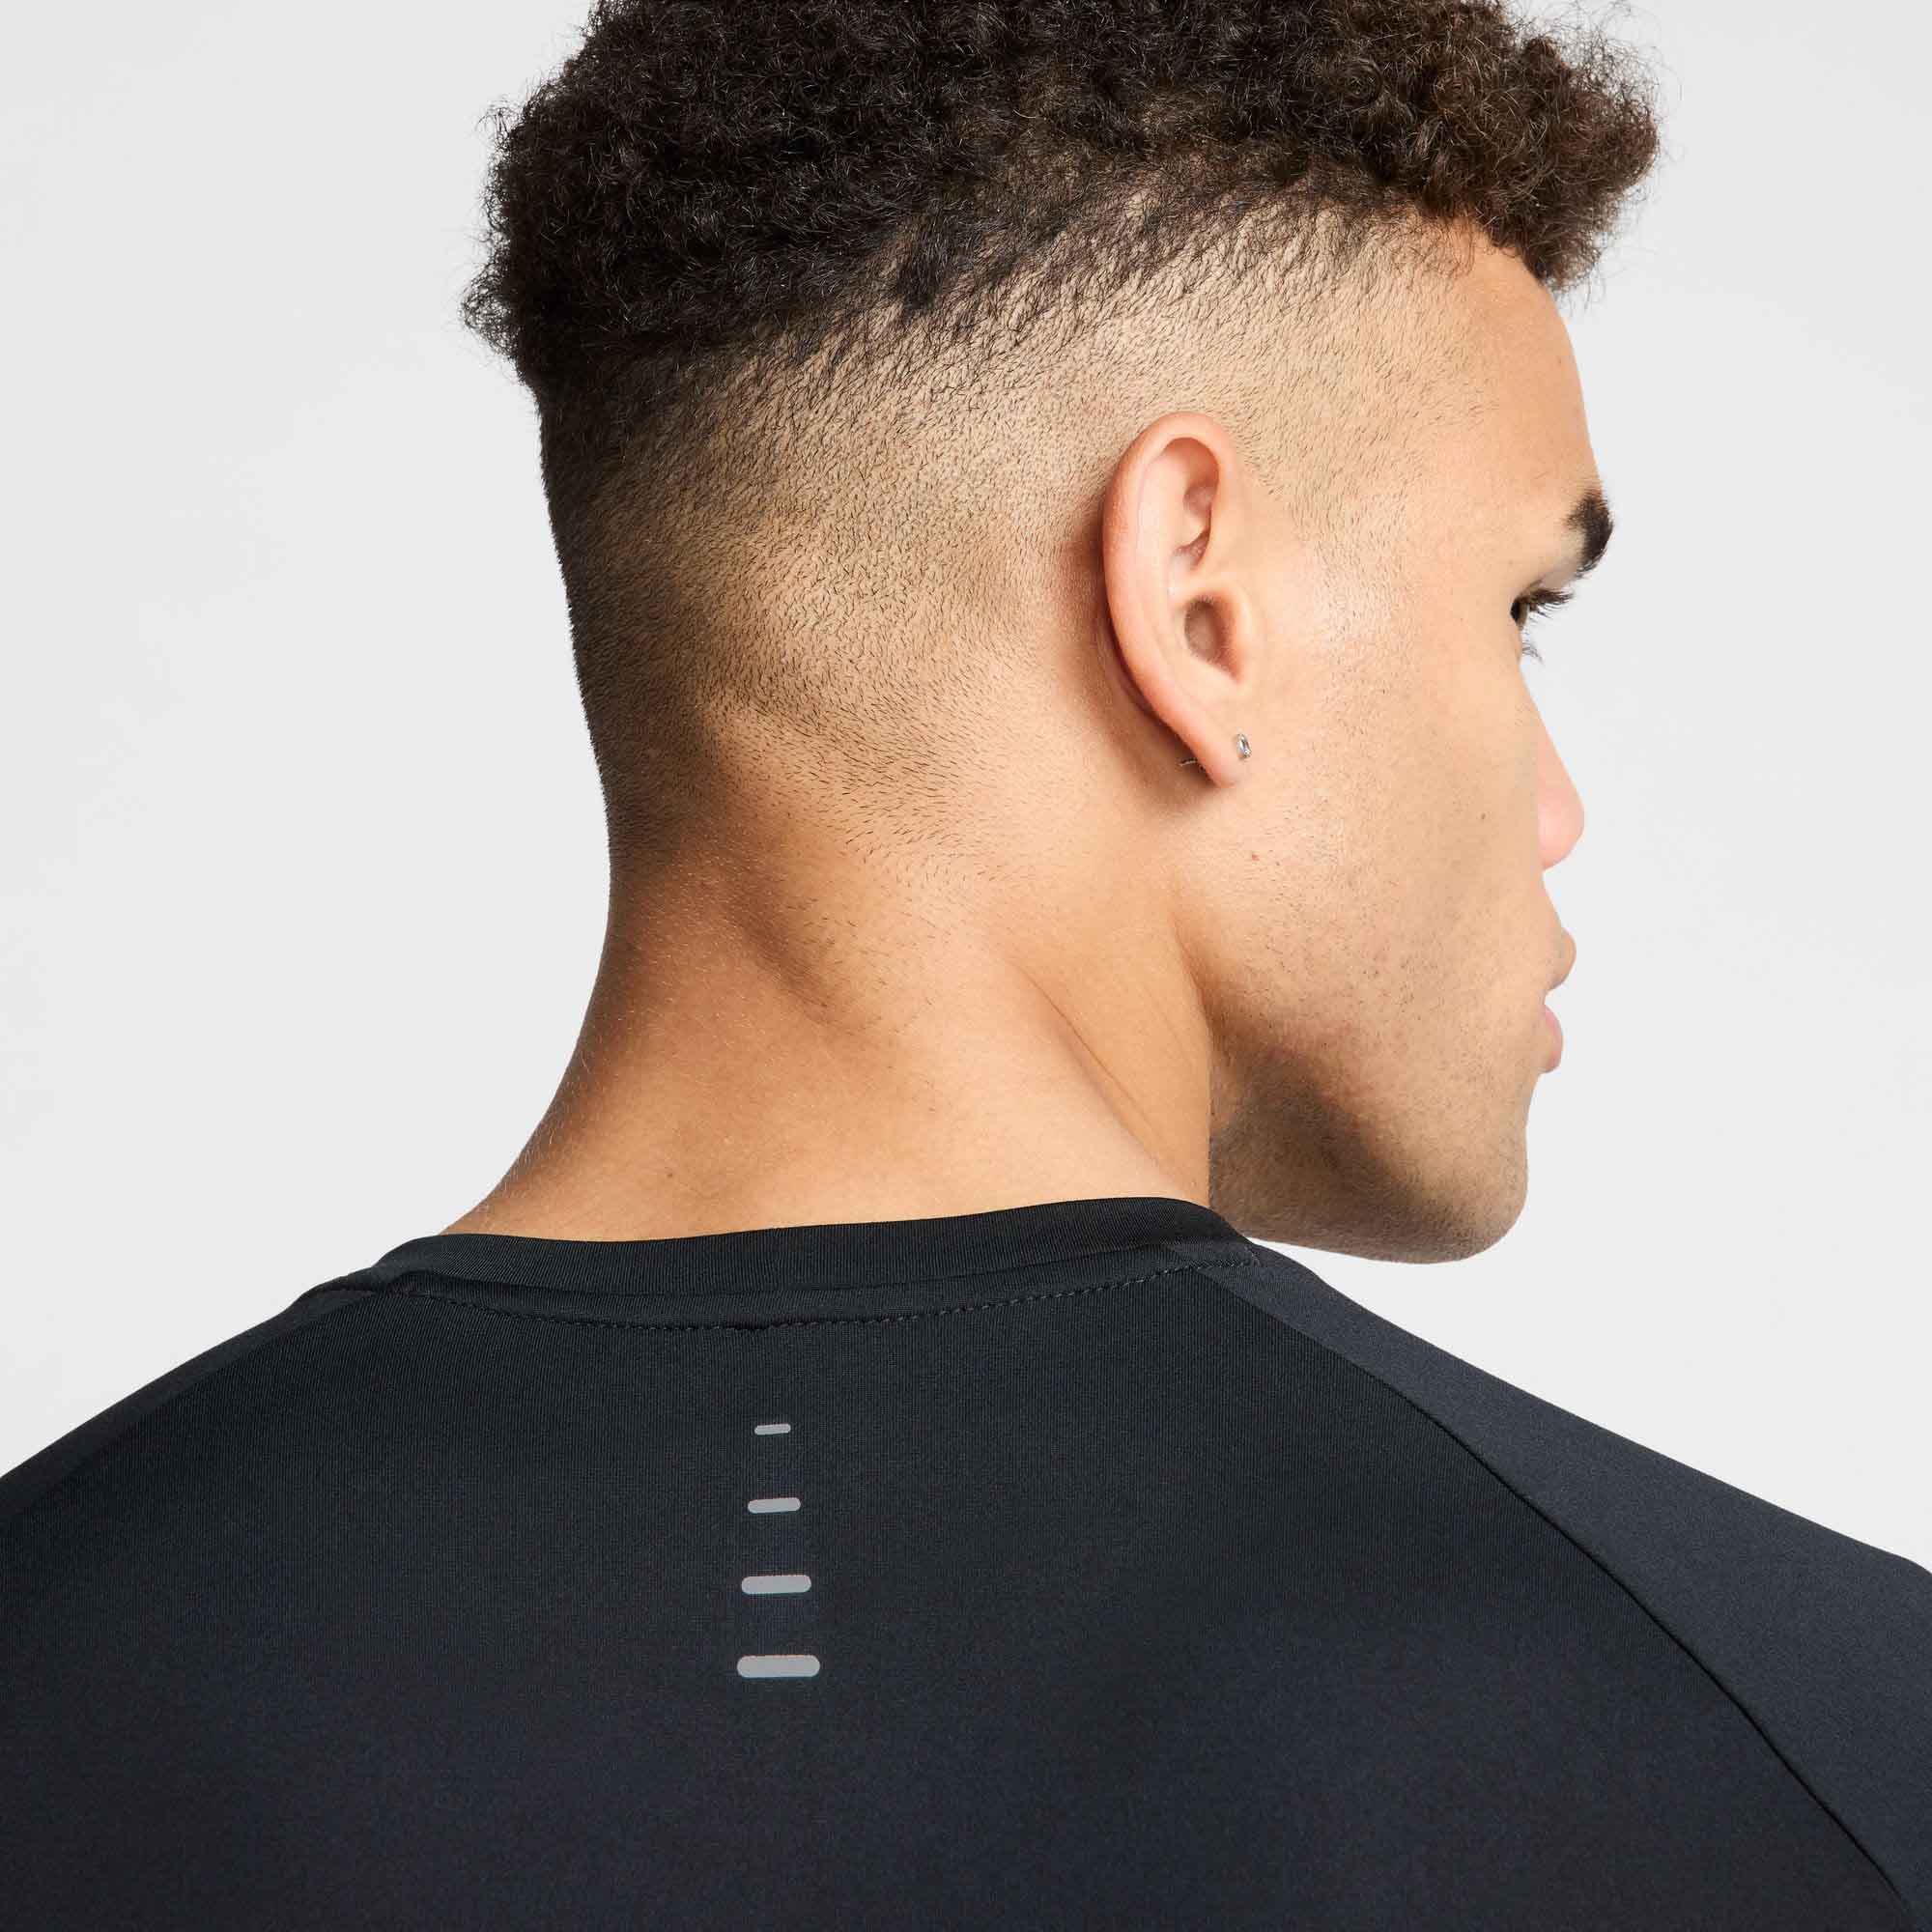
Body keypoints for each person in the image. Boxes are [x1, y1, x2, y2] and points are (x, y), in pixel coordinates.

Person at [5, 1, 1927, 1924]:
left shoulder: (61, 1659)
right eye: (1519, 609)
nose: (1557, 811)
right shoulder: (1830, 1745)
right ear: (1198, 600)